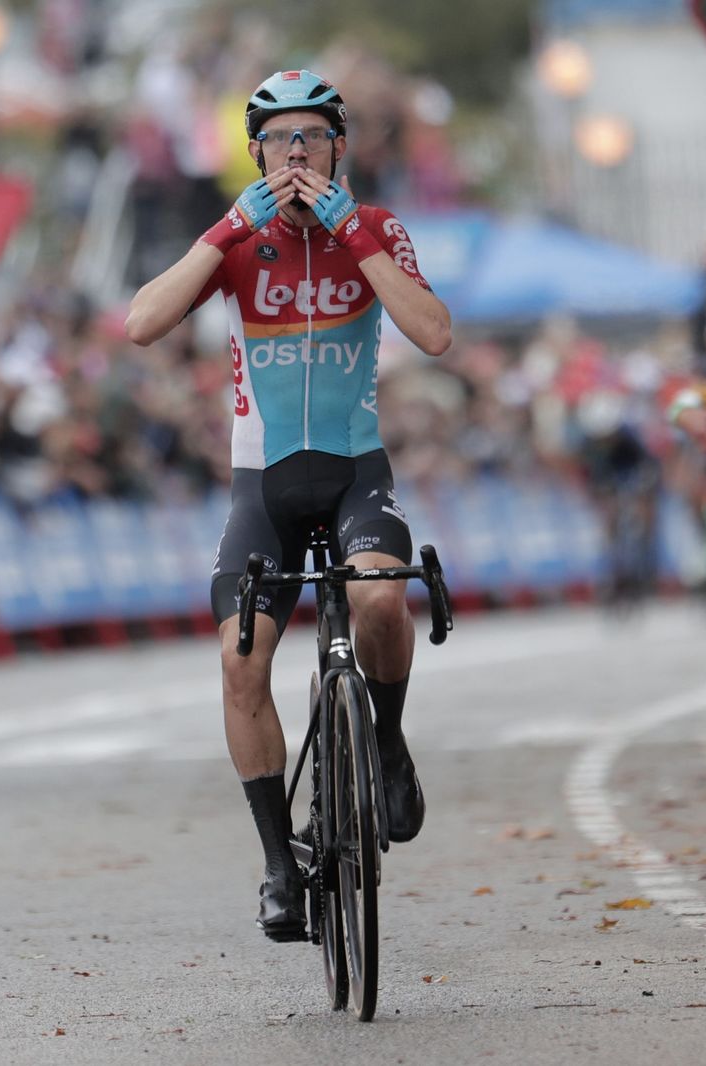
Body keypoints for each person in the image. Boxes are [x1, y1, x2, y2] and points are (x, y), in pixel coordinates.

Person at [124, 69, 452, 940]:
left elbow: (434, 332)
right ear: (256, 154)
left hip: (354, 475)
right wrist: (227, 226)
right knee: (241, 665)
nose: (296, 153)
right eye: (278, 140)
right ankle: (279, 864)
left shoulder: (375, 229)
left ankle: (385, 742)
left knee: (382, 595)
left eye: (311, 137)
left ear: (339, 149)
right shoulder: (237, 244)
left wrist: (353, 230)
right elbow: (140, 322)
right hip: (261, 485)